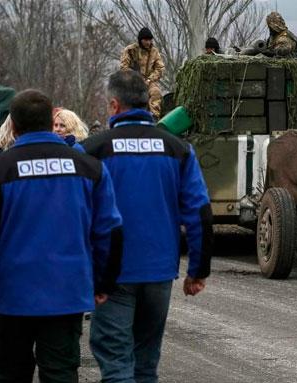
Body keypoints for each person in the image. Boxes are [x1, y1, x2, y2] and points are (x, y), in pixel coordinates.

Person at [0, 89, 124, 383]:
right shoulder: (90, 169)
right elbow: (110, 230)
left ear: (13, 126)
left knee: (10, 375)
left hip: (11, 298)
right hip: (67, 296)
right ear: (50, 120)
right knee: (61, 374)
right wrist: (105, 282)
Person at [83, 70, 214, 383]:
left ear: (114, 106)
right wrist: (198, 270)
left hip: (110, 275)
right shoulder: (178, 149)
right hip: (159, 273)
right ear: (147, 104)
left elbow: (73, 215)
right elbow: (200, 212)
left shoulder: (91, 151)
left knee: (116, 364)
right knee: (145, 364)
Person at [120, 27, 165, 120]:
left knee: (156, 92)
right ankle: (130, 117)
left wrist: (149, 79)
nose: (148, 42)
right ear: (140, 40)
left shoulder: (154, 52)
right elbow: (124, 67)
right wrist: (136, 78)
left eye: (149, 40)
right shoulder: (130, 50)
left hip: (149, 81)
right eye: (145, 40)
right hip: (132, 81)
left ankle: (155, 117)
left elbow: (160, 68)